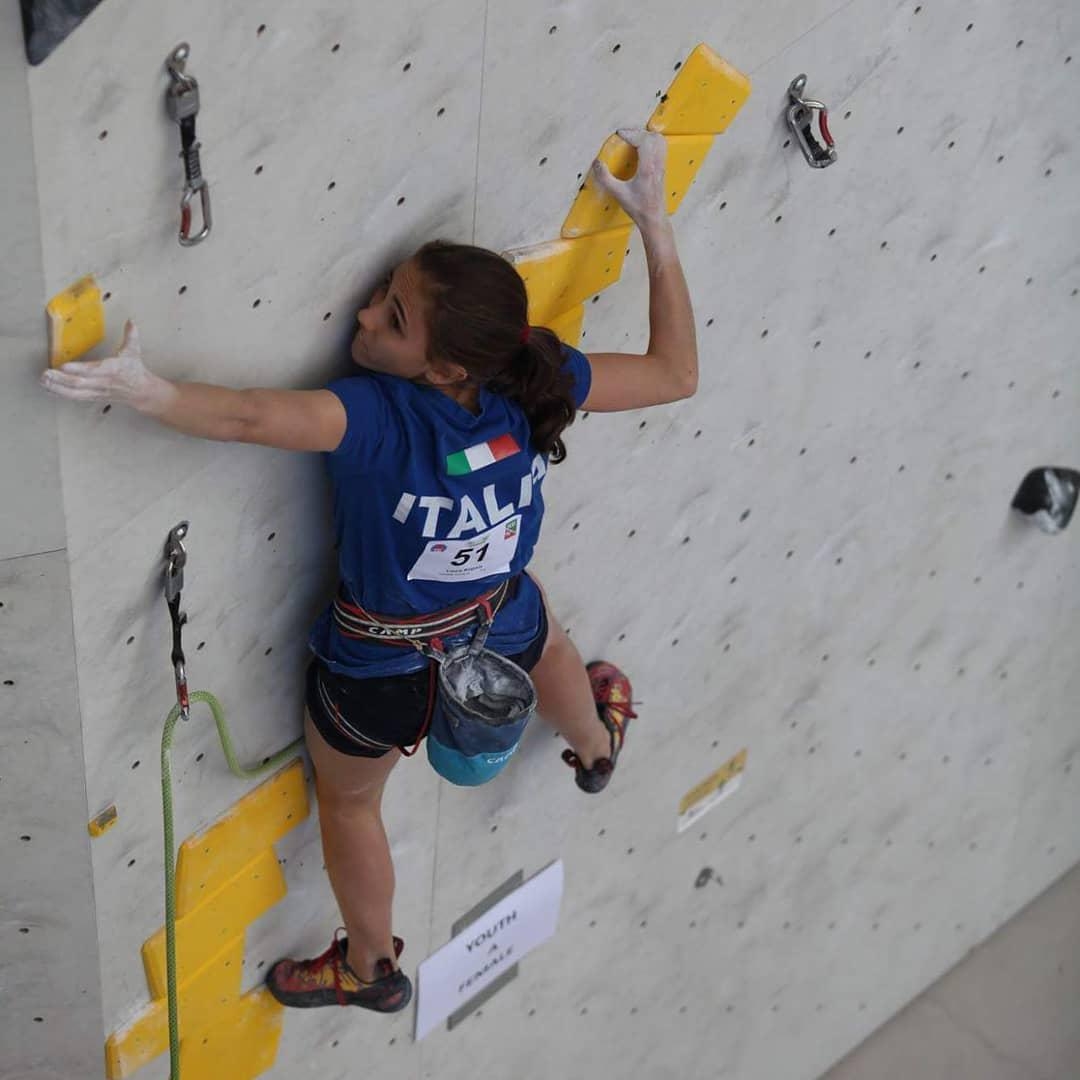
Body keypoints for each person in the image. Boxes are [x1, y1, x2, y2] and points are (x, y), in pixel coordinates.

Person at [39, 127, 698, 1014]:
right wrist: (656, 225)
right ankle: (594, 748)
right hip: (496, 617)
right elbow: (672, 373)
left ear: (443, 366)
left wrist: (146, 391)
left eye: (392, 318)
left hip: (376, 665)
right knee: (546, 641)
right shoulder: (529, 376)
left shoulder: (378, 419)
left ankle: (372, 966)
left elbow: (247, 420)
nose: (362, 317)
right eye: (384, 295)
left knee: (352, 808)